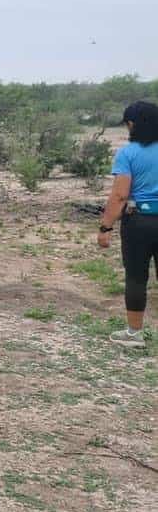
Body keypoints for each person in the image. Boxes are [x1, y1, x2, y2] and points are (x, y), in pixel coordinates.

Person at [98, 100, 158, 348]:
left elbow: (120, 195)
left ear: (133, 124)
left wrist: (106, 227)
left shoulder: (127, 153)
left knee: (136, 277)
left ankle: (134, 334)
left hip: (139, 222)